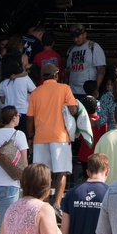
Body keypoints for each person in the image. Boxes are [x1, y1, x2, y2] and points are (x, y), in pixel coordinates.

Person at [25, 60, 79, 210]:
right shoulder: (64, 88)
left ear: (42, 77)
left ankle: (43, 203)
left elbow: (30, 119)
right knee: (61, 170)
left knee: (43, 172)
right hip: (60, 136)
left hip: (40, 138)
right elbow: (74, 110)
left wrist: (30, 137)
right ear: (56, 75)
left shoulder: (35, 92)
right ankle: (57, 204)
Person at [0, 105, 28, 220]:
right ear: (13, 118)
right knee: (8, 222)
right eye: (18, 115)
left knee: (6, 217)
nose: (19, 118)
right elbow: (24, 163)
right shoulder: (19, 134)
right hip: (8, 184)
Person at [66, 25, 106, 100]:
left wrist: (95, 89)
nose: (75, 39)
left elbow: (101, 71)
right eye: (73, 37)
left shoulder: (94, 47)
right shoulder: (71, 50)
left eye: (78, 36)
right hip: (73, 91)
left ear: (85, 34)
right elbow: (68, 71)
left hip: (87, 92)